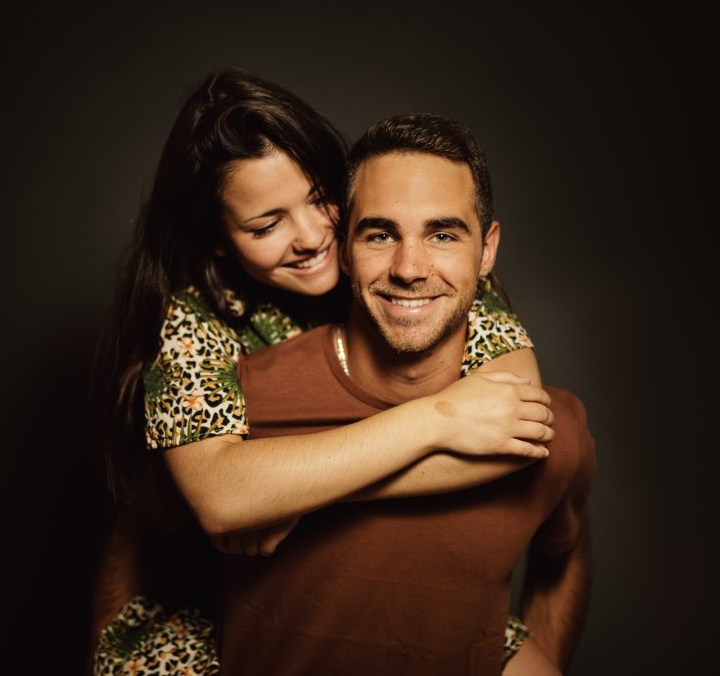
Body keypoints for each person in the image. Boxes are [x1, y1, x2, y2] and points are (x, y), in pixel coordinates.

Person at [92, 68, 554, 675]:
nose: (312, 237)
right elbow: (223, 497)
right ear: (219, 239)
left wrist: (291, 495)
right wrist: (438, 420)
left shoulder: (412, 269)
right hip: (228, 603)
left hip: (389, 581)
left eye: (319, 199)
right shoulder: (190, 322)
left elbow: (515, 418)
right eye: (266, 225)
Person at [217, 113, 596, 675]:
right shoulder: (246, 406)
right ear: (344, 249)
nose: (410, 268)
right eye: (380, 234)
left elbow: (564, 550)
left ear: (487, 251)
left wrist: (546, 659)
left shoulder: (546, 428)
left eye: (443, 235)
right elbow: (138, 550)